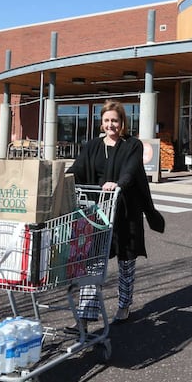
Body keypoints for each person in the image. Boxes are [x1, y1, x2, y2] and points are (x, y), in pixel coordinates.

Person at [66, 100, 165, 331]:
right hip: (98, 213)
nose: (111, 125)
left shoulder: (132, 145)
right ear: (101, 123)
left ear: (122, 123)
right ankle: (83, 318)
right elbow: (77, 168)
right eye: (107, 120)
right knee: (92, 262)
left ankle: (124, 304)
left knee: (126, 261)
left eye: (115, 121)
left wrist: (118, 183)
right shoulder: (92, 145)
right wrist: (63, 179)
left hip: (125, 209)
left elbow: (131, 170)